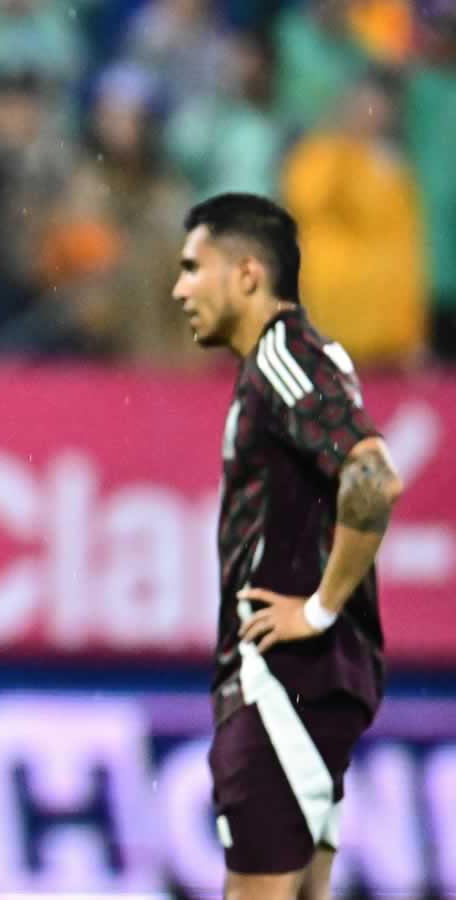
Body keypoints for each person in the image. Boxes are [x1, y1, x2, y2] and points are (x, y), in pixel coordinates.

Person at [171, 193, 403, 899]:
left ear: (245, 274)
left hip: (283, 682)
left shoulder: (282, 356)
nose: (179, 288)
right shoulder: (291, 361)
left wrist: (321, 608)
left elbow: (373, 474)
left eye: (192, 267)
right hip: (306, 684)